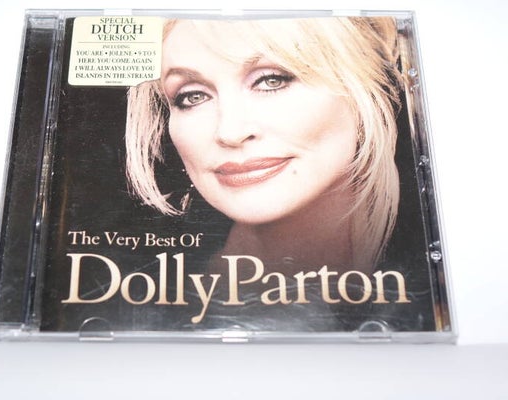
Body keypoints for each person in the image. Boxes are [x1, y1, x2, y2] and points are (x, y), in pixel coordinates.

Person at [125, 17, 402, 272]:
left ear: (365, 88)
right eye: (193, 96)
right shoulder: (151, 287)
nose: (230, 132)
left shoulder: (421, 276)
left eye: (272, 80)